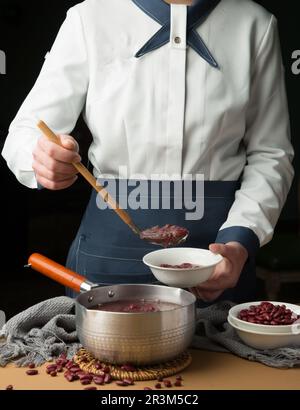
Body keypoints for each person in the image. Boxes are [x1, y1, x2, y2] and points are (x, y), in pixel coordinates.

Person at [2, 0, 294, 302]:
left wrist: (239, 241)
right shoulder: (89, 17)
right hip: (106, 259)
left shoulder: (255, 23)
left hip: (216, 262)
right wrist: (41, 157)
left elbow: (271, 154)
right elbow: (25, 132)